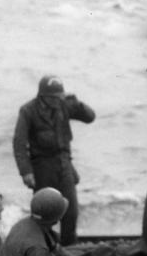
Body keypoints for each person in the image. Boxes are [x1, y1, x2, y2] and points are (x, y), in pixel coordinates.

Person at [13, 75, 96, 246]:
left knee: (70, 211)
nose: (58, 101)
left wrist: (76, 102)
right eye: (54, 98)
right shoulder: (28, 111)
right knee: (44, 212)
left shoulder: (63, 105)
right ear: (43, 96)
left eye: (60, 97)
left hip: (64, 163)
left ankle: (69, 248)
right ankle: (40, 248)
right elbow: (19, 144)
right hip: (41, 166)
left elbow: (90, 117)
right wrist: (26, 172)